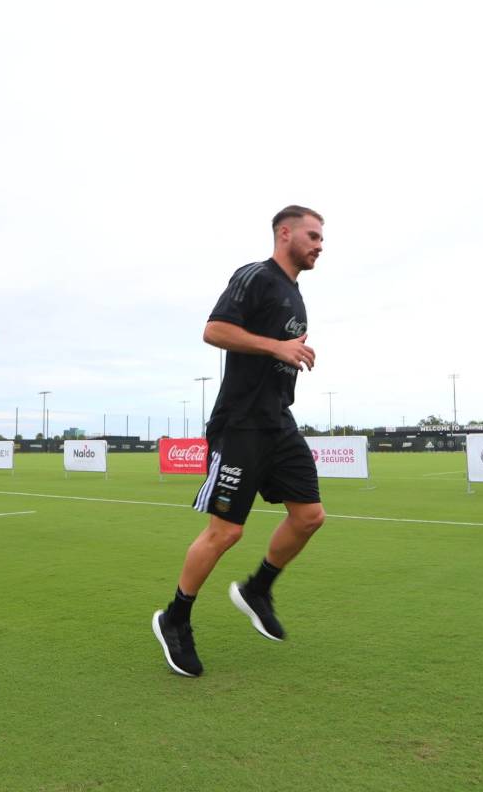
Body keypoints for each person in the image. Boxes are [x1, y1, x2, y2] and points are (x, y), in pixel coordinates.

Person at [152, 205, 327, 677]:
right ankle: (175, 619)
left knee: (309, 516)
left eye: (321, 238)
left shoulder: (295, 294)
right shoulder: (256, 276)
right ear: (284, 233)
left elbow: (279, 350)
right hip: (241, 423)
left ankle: (257, 589)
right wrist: (277, 347)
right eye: (311, 235)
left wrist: (290, 354)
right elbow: (214, 331)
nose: (319, 245)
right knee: (226, 531)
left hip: (278, 421)